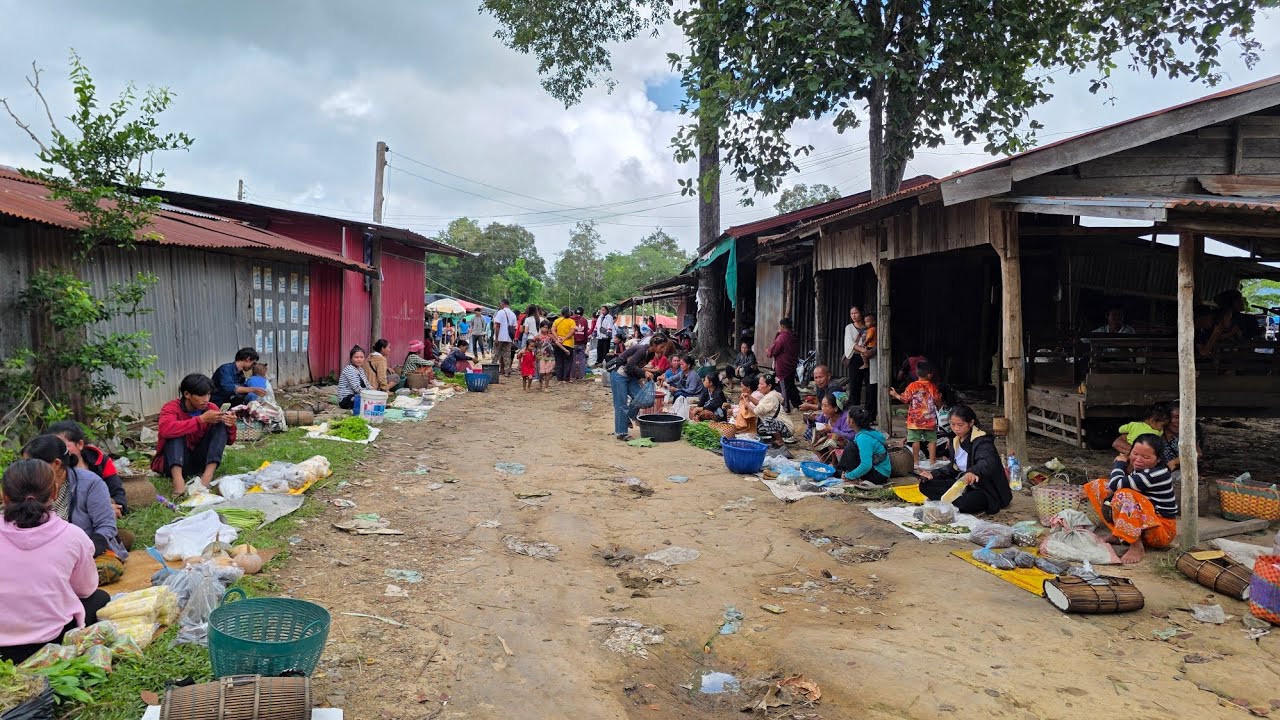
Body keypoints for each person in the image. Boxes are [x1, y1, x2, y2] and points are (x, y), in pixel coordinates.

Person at [0, 459, 110, 664]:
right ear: (54, 492)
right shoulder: (73, 536)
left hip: (2, 651)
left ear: (4, 496)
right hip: (50, 643)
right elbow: (85, 589)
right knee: (99, 598)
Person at [23, 435, 128, 562]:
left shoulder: (90, 483)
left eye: (31, 465)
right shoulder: (26, 485)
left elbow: (106, 526)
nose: (26, 470)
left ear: (56, 464)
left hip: (87, 551)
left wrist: (85, 553)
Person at [1085, 434, 1177, 564]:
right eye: (1135, 454)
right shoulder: (1141, 469)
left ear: (1158, 459)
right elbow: (1113, 486)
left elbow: (1115, 484)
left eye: (1146, 457)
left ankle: (1136, 546)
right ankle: (1119, 534)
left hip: (1160, 531)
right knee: (1099, 486)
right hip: (1145, 523)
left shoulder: (1157, 474)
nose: (1138, 460)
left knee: (1124, 494)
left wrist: (1120, 463)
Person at [150, 374, 236, 497]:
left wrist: (230, 425)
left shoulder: (210, 408)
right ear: (187, 394)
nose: (206, 399)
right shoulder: (171, 407)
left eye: (208, 395)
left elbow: (230, 441)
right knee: (175, 431)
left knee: (220, 424)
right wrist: (200, 420)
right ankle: (178, 483)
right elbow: (165, 430)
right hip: (173, 462)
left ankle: (206, 478)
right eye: (201, 395)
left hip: (198, 462)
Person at [917, 405, 1011, 515]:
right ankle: (952, 501)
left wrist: (973, 472)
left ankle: (955, 502)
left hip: (983, 489)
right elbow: (952, 468)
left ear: (971, 423)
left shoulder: (982, 441)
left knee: (965, 501)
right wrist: (933, 474)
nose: (956, 428)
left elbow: (987, 461)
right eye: (952, 424)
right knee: (925, 485)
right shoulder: (955, 440)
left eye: (960, 425)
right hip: (962, 485)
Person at [48, 420, 126, 517]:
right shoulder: (53, 468)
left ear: (80, 444)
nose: (58, 452)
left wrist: (111, 508)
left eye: (64, 447)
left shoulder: (102, 462)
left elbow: (118, 494)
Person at [610, 333, 672, 439]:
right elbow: (629, 366)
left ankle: (627, 417)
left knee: (642, 399)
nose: (663, 349)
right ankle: (621, 433)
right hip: (619, 374)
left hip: (630, 376)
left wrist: (641, 381)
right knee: (621, 404)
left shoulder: (650, 354)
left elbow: (636, 367)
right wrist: (644, 373)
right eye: (662, 347)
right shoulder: (642, 350)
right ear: (654, 344)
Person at [890, 361, 942, 467]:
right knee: (932, 440)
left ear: (917, 373)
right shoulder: (933, 387)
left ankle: (916, 461)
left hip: (915, 421)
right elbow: (938, 400)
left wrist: (895, 394)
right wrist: (939, 406)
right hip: (929, 419)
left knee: (915, 440)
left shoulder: (912, 386)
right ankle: (932, 461)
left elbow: (905, 399)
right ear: (929, 375)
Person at [838, 405, 892, 488]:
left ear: (851, 421)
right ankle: (848, 474)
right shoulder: (865, 433)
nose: (846, 419)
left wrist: (849, 476)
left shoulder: (863, 438)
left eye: (847, 417)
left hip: (879, 475)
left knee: (850, 446)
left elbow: (866, 465)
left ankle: (854, 478)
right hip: (880, 471)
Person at [742, 373, 793, 443]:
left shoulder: (770, 397)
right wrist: (749, 396)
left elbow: (756, 411)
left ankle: (779, 440)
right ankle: (775, 438)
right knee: (761, 428)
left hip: (786, 428)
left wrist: (747, 404)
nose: (759, 386)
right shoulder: (771, 394)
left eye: (761, 384)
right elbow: (760, 404)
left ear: (769, 386)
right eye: (759, 383)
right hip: (782, 425)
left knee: (767, 422)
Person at [765, 317, 801, 412]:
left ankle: (786, 407)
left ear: (782, 326)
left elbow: (772, 351)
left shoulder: (782, 337)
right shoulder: (794, 336)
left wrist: (768, 350)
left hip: (783, 367)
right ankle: (798, 404)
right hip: (792, 365)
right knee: (791, 386)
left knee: (784, 387)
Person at [843, 306, 868, 405]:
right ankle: (854, 408)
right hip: (855, 358)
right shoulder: (849, 327)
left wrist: (867, 352)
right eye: (851, 313)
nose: (853, 315)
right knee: (854, 384)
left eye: (856, 313)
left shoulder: (868, 326)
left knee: (869, 383)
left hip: (868, 357)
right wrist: (863, 350)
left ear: (861, 313)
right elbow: (850, 343)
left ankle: (869, 410)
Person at [337, 346, 372, 410]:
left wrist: (373, 392)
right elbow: (357, 388)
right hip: (346, 399)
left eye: (361, 357)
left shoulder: (360, 369)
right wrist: (370, 396)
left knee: (373, 400)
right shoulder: (350, 369)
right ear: (351, 359)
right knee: (369, 402)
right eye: (356, 357)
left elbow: (367, 383)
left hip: (356, 395)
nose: (359, 359)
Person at [493, 299, 518, 376]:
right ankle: (507, 371)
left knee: (496, 354)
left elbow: (497, 325)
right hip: (508, 338)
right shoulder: (513, 314)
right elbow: (514, 328)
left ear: (503, 304)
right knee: (507, 355)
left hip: (500, 337)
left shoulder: (500, 312)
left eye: (500, 304)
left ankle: (493, 370)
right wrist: (512, 339)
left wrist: (496, 338)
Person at [535, 321, 562, 392]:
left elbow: (557, 342)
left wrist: (565, 350)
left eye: (547, 328)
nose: (545, 329)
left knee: (548, 372)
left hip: (550, 356)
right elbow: (533, 346)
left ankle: (546, 387)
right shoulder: (537, 337)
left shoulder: (550, 336)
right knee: (541, 372)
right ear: (540, 328)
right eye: (543, 327)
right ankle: (540, 382)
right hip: (541, 357)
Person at [553, 306, 577, 382]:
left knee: (559, 361)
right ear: (569, 313)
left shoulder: (557, 321)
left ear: (561, 313)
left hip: (558, 343)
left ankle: (559, 378)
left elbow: (553, 330)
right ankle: (566, 378)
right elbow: (572, 331)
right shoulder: (572, 321)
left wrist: (557, 338)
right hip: (568, 343)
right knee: (568, 362)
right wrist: (565, 338)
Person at [571, 307, 589, 380]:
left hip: (572, 343)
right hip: (581, 343)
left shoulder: (570, 319)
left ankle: (572, 376)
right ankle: (582, 376)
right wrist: (585, 342)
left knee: (572, 360)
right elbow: (586, 333)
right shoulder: (584, 320)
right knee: (582, 360)